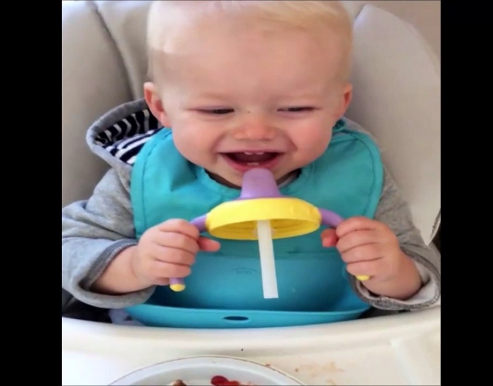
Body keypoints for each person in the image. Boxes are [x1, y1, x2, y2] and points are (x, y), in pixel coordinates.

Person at [62, 0, 440, 325]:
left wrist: (393, 271)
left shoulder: (358, 172)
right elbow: (71, 249)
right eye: (218, 109)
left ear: (338, 105)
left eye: (295, 108)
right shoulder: (142, 174)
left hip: (327, 341)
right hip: (160, 339)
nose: (255, 131)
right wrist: (134, 266)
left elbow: (426, 272)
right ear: (161, 107)